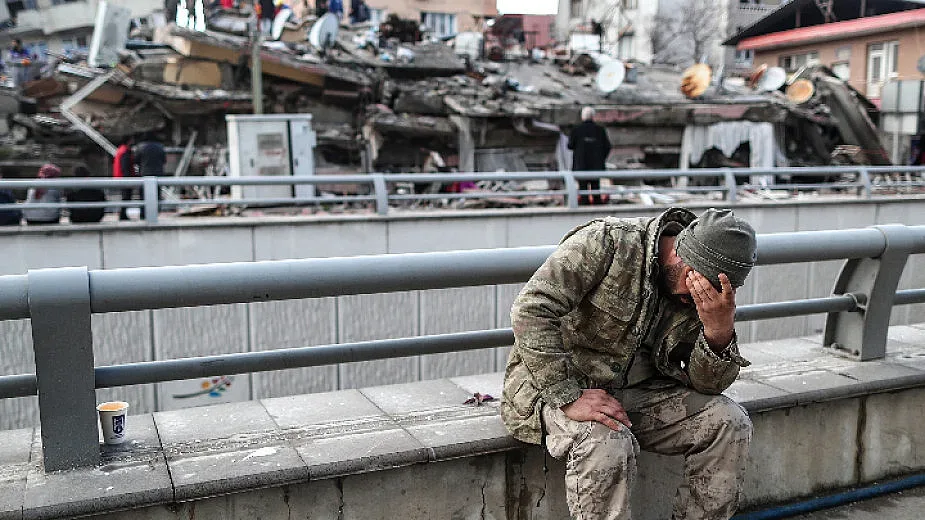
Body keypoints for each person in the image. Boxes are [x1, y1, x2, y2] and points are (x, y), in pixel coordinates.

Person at [501, 207, 757, 520]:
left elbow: (709, 386)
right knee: (606, 441)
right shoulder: (607, 243)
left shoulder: (701, 295)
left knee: (729, 422)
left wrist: (718, 334)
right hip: (555, 387)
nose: (705, 297)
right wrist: (567, 395)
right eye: (703, 285)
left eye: (721, 290)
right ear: (682, 254)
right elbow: (530, 310)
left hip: (636, 392)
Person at [568, 107, 611, 205]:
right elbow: (607, 147)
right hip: (596, 165)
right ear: (593, 116)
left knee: (583, 188)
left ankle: (584, 204)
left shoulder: (576, 130)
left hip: (581, 164)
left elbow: (570, 146)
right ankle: (597, 205)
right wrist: (601, 158)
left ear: (582, 117)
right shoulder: (600, 130)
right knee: (596, 187)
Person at [113, 137, 138, 220]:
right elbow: (125, 167)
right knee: (126, 197)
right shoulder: (125, 151)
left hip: (121, 176)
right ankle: (123, 215)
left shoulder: (121, 150)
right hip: (125, 177)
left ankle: (123, 214)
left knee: (125, 197)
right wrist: (129, 178)